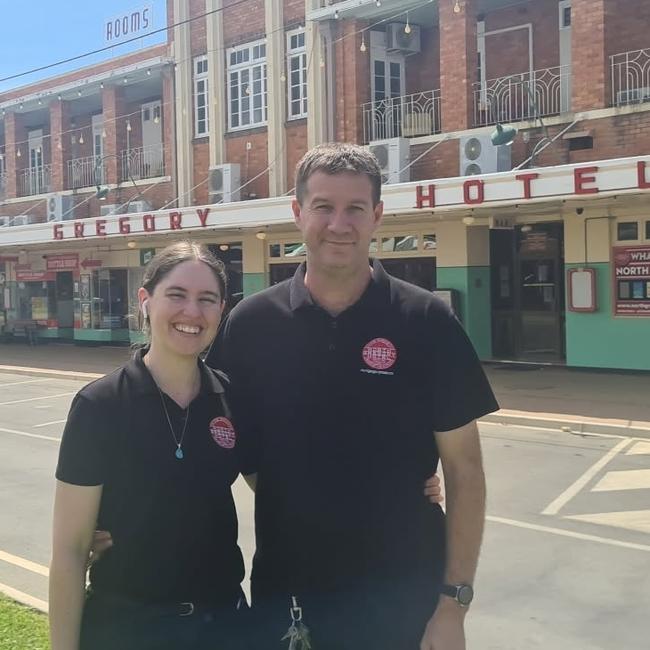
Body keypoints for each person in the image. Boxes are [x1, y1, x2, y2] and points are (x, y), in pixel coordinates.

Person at [206, 142, 499, 649]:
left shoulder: (427, 321)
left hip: (403, 598)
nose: (338, 224)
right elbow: (226, 447)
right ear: (298, 213)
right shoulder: (250, 325)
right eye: (323, 206)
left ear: (377, 216)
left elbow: (465, 471)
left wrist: (453, 605)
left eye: (355, 209)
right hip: (289, 594)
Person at [49, 242, 248, 650]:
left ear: (221, 310)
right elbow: (70, 551)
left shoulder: (232, 399)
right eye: (176, 295)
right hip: (129, 628)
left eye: (206, 299)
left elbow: (285, 484)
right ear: (146, 300)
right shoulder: (100, 406)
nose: (192, 312)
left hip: (225, 626)